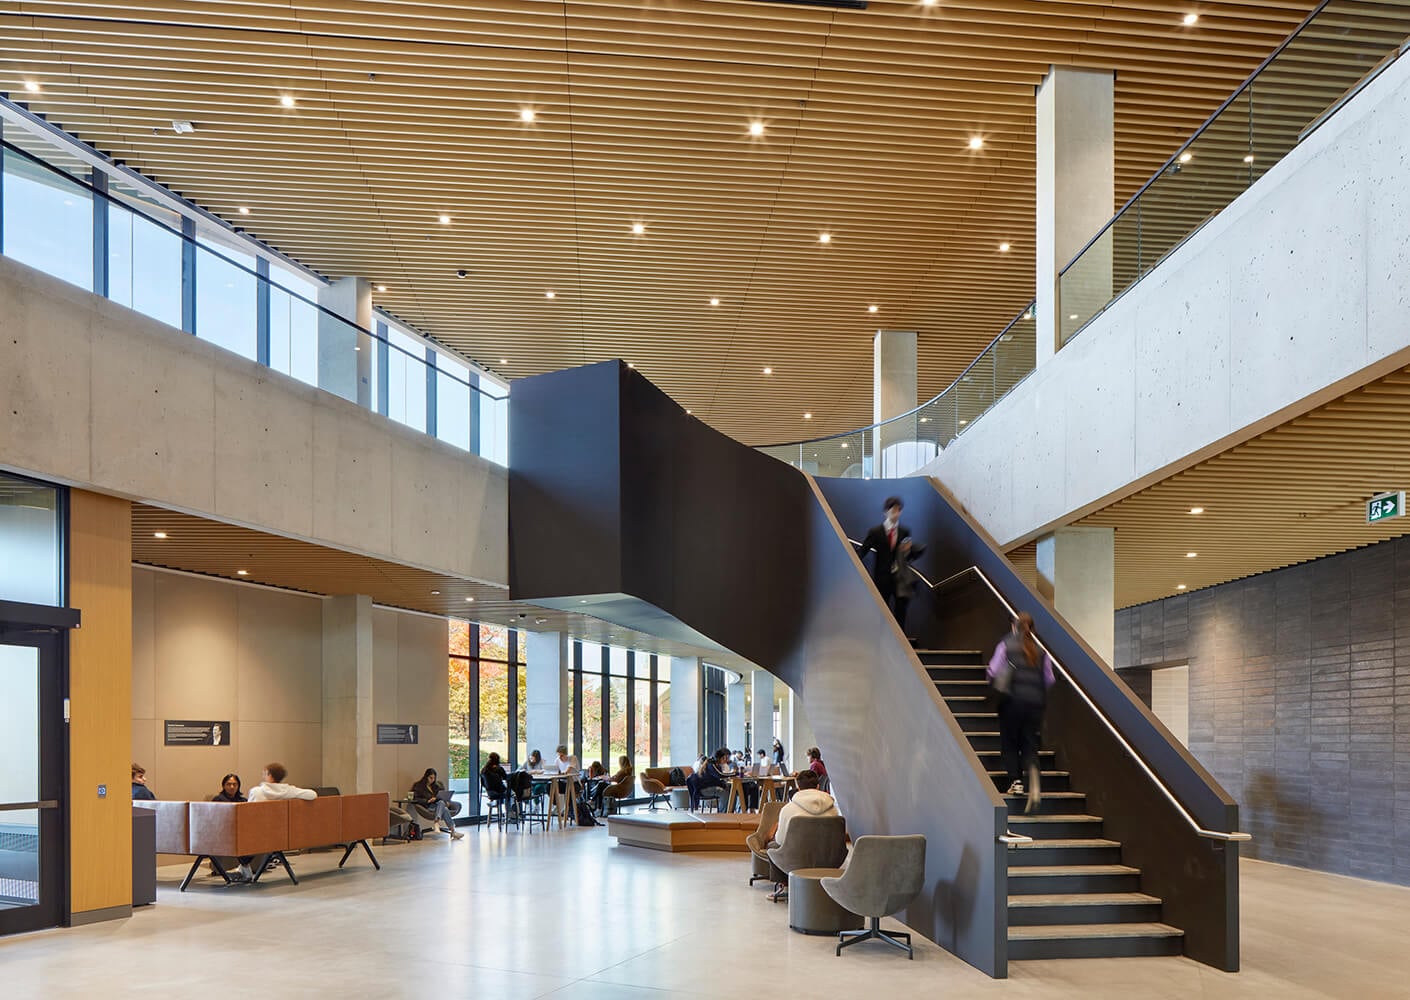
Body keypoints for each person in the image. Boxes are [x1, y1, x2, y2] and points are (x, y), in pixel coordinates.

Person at [988, 612, 1056, 814]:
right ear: (1032, 629)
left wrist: (994, 683)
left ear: (1015, 627)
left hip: (1012, 702)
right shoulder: (1041, 651)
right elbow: (1049, 679)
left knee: (1010, 742)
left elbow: (993, 671)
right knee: (1029, 742)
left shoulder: (1006, 645)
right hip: (1035, 704)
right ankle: (1033, 768)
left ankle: (1016, 781)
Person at [857, 496, 925, 629]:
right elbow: (863, 551)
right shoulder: (876, 532)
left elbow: (906, 557)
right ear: (886, 512)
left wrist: (910, 550)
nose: (896, 513)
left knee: (901, 610)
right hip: (882, 576)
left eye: (899, 510)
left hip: (900, 578)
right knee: (882, 610)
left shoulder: (904, 531)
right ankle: (881, 636)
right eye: (893, 510)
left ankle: (900, 638)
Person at [769, 769, 838, 847]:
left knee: (771, 845)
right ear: (818, 786)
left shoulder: (787, 810)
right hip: (825, 853)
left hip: (795, 853)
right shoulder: (832, 809)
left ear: (798, 788)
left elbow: (780, 840)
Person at [211, 774, 255, 881]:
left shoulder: (243, 800)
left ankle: (243, 867)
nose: (232, 787)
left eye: (234, 784)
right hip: (224, 832)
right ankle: (244, 867)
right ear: (223, 785)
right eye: (229, 784)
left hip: (241, 830)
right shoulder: (218, 800)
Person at [411, 767, 464, 840]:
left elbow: (441, 796)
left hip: (438, 806)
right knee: (443, 807)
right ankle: (451, 831)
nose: (432, 780)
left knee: (443, 807)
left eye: (434, 778)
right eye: (430, 778)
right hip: (428, 807)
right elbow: (416, 798)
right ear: (426, 777)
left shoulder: (436, 786)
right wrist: (427, 801)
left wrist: (442, 800)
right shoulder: (419, 786)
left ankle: (440, 825)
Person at [246, 762, 316, 802]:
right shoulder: (289, 791)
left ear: (269, 775)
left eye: (264, 773)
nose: (263, 776)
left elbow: (247, 812)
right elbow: (312, 794)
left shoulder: (256, 792)